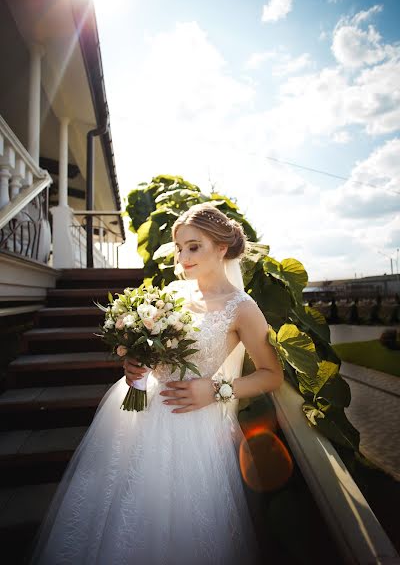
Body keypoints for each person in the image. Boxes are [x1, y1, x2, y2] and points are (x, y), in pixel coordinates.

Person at [29, 203, 284, 565]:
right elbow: (157, 351)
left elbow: (272, 375)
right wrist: (135, 362)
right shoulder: (176, 294)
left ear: (222, 248)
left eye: (194, 246)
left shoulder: (242, 308)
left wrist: (213, 390)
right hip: (139, 412)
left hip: (192, 423)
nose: (183, 256)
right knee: (120, 505)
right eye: (180, 248)